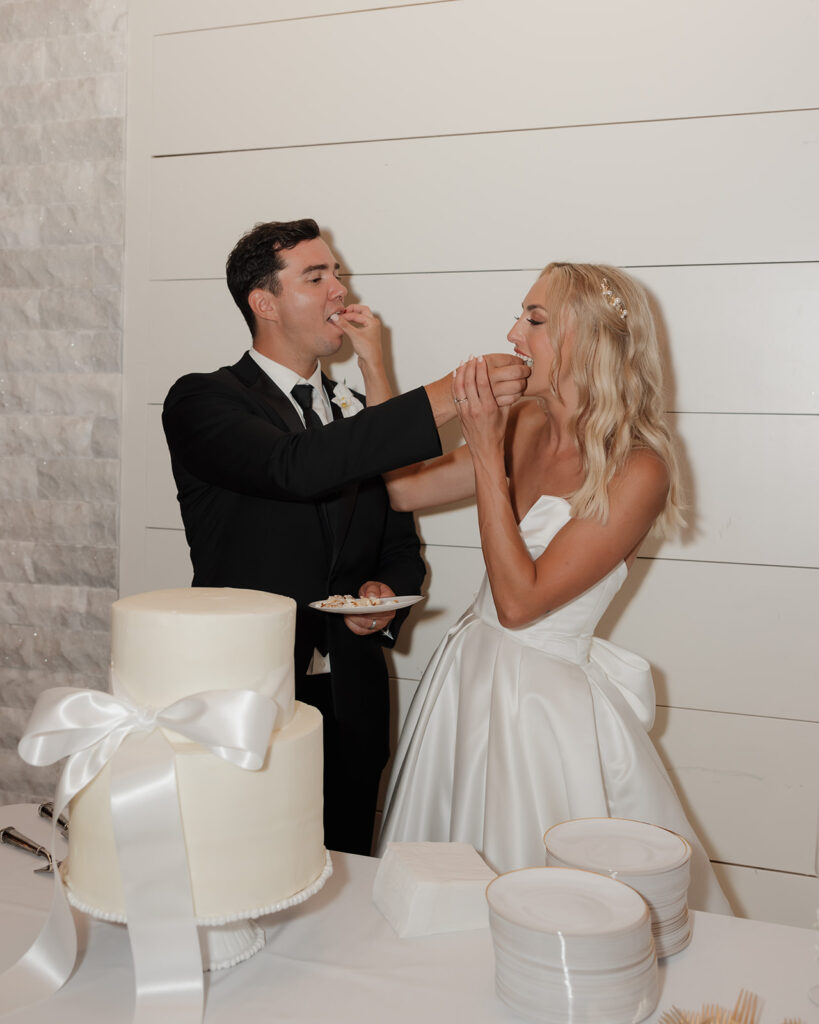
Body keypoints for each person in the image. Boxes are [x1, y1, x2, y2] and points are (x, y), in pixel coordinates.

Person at [161, 218, 529, 856]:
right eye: (317, 276)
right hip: (247, 694)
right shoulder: (204, 401)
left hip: (352, 696)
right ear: (264, 303)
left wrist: (385, 597)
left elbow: (399, 544)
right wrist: (446, 395)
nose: (341, 289)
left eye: (339, 274)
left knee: (349, 869)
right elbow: (296, 467)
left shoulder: (358, 413)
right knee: (246, 861)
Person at [373, 262, 731, 913]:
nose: (512, 333)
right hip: (465, 682)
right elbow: (400, 490)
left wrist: (484, 449)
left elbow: (518, 604)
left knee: (545, 901)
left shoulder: (637, 466)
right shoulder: (528, 422)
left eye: (534, 320)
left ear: (586, 338)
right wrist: (374, 361)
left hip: (540, 712)